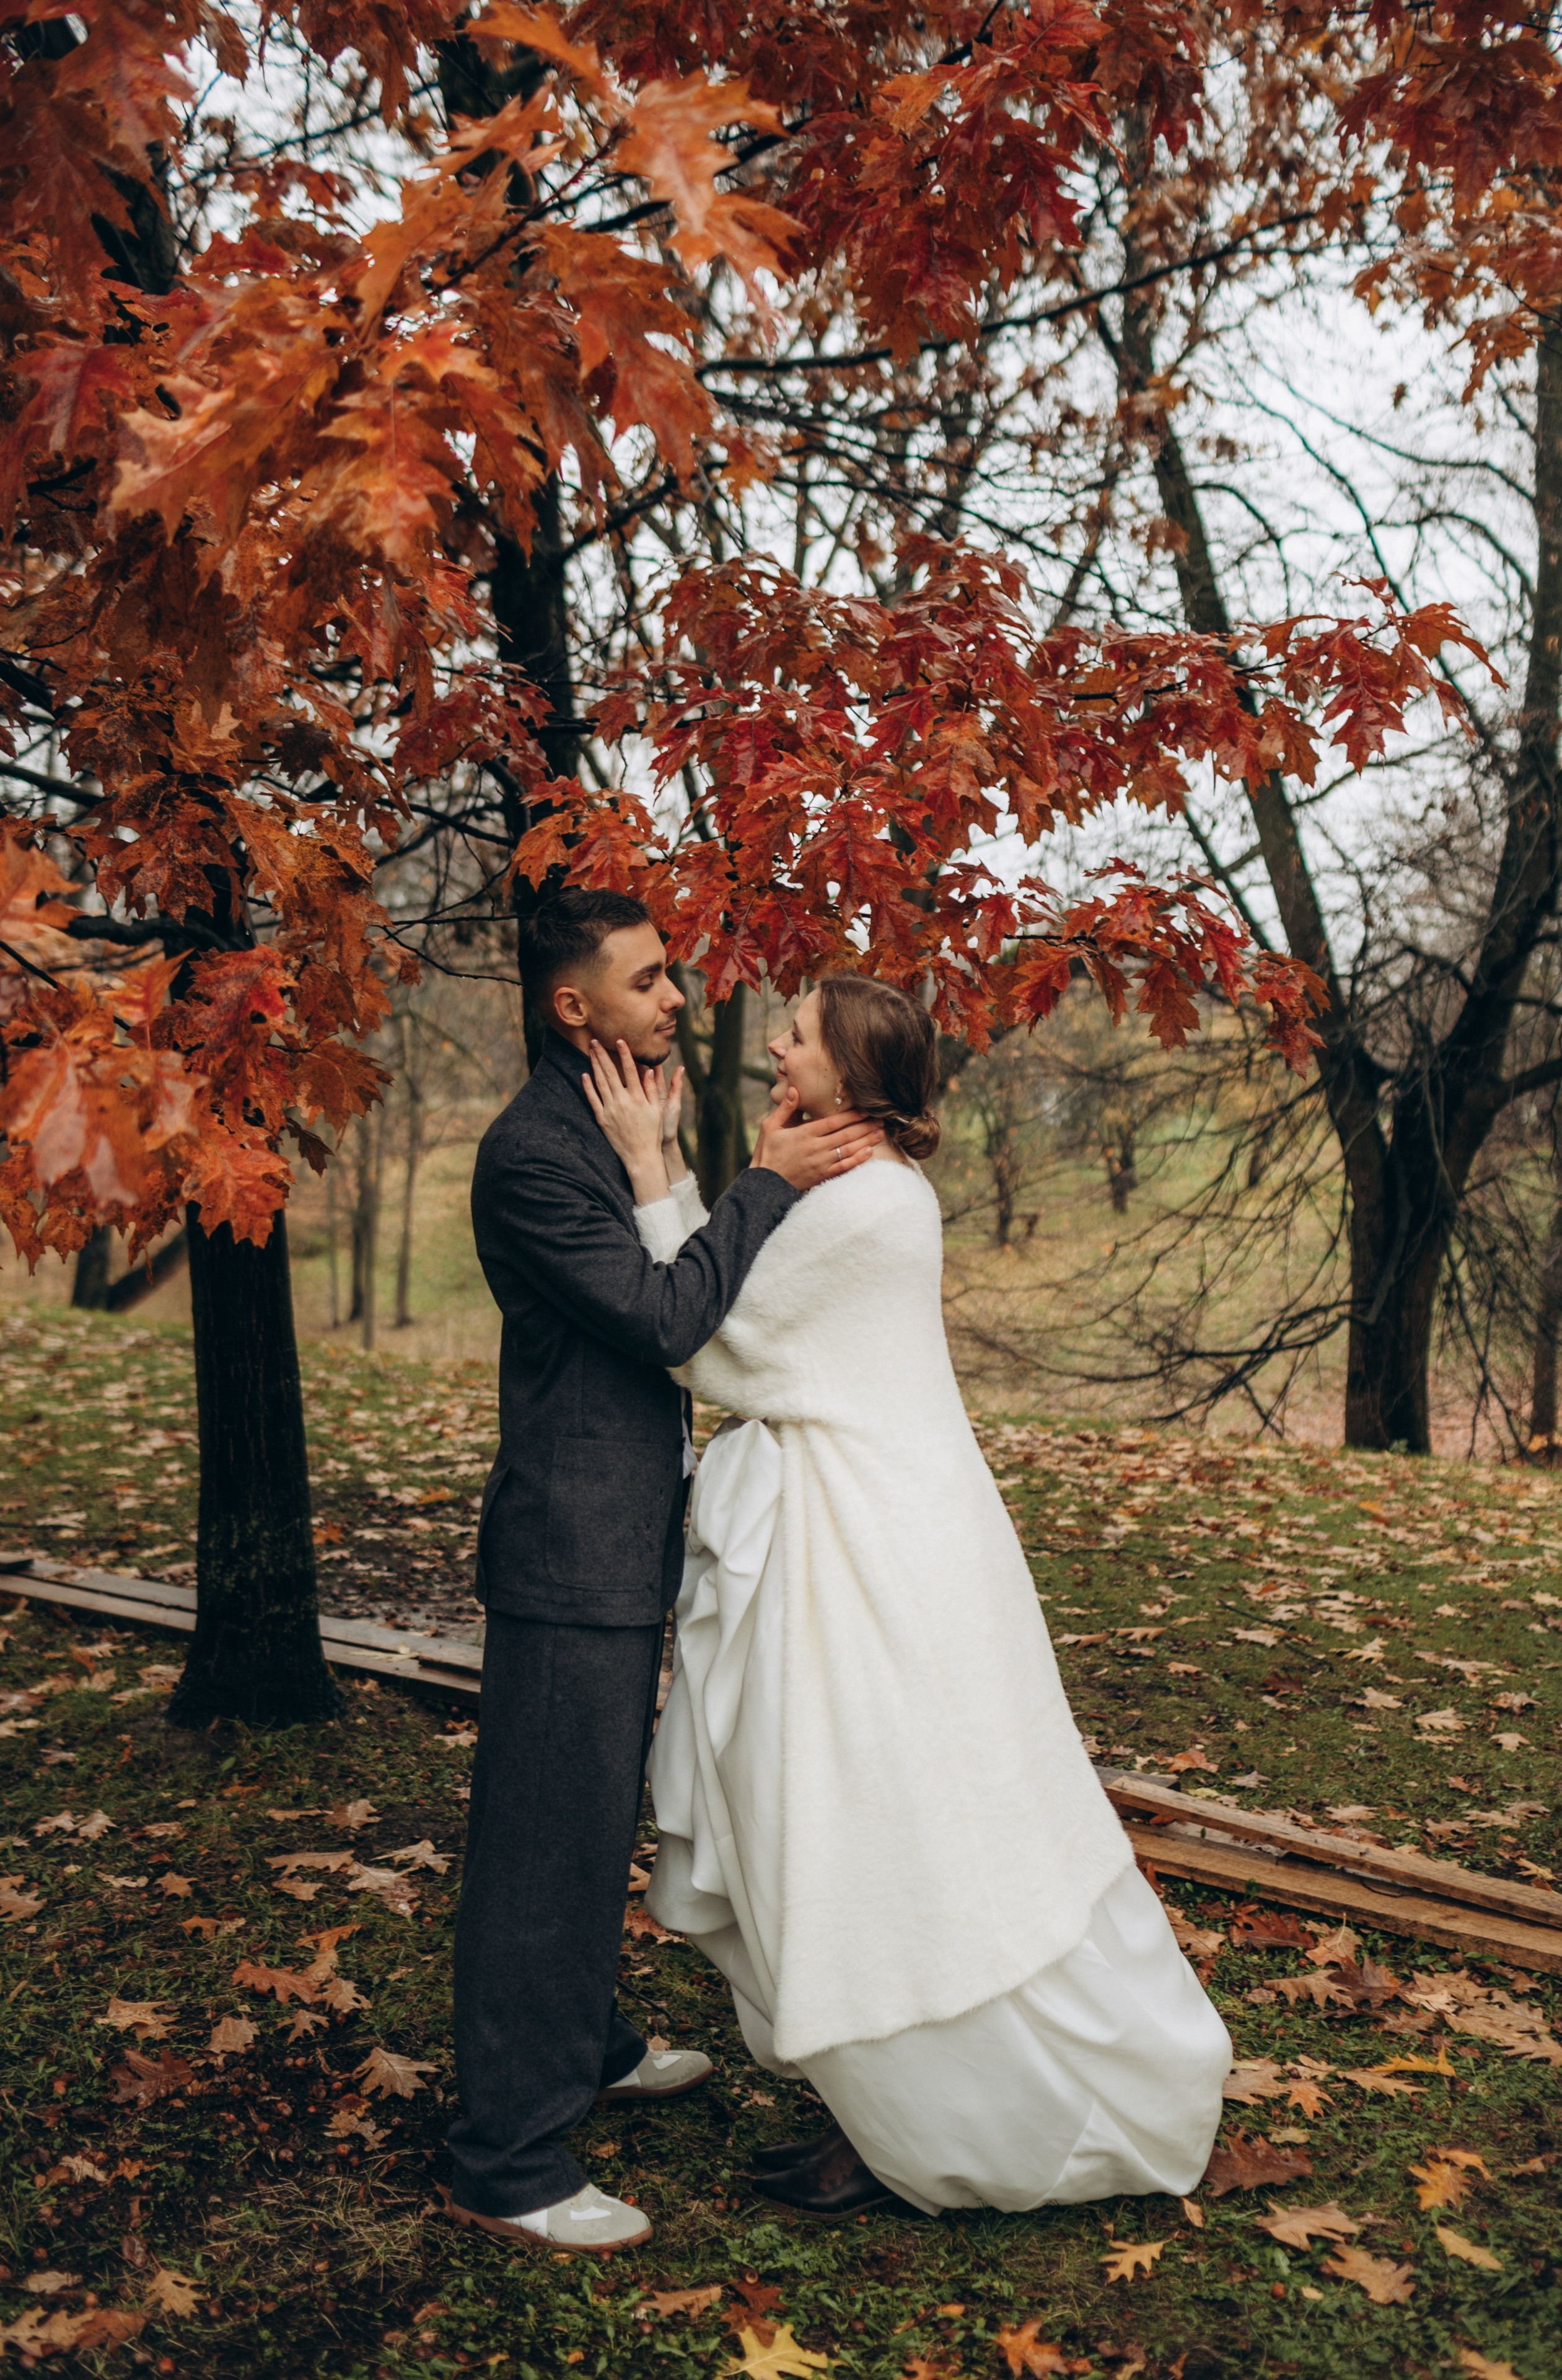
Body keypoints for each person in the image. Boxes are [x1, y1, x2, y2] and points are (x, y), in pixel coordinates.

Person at [581, 972, 1232, 2222]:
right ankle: (883, 2106)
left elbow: (710, 1340)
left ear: (851, 1076)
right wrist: (731, 1180)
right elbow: (735, 1288)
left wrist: (657, 1167)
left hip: (867, 1553)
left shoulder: (873, 1205)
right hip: (849, 1530)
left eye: (798, 1036)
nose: (776, 1046)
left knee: (881, 1817)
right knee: (842, 1811)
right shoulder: (838, 1186)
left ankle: (952, 2121)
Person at [449, 891, 883, 2255]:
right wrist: (766, 1183)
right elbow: (665, 1314)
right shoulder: (533, 1154)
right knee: (543, 1849)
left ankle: (584, 2046)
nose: (676, 998)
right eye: (644, 982)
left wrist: (680, 1167)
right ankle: (506, 2157)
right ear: (571, 1006)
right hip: (567, 1548)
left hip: (625, 1534)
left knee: (588, 1829)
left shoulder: (618, 1117)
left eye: (671, 975)